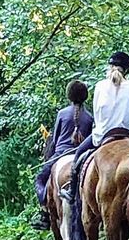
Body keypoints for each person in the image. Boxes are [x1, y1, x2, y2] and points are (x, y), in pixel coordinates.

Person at [60, 51, 129, 203]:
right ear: (127, 70)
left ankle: (72, 191)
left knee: (79, 155)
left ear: (110, 67)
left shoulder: (100, 86)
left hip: (103, 135)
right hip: (127, 135)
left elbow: (97, 115)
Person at [31, 80, 94, 230]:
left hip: (60, 154)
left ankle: (44, 212)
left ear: (69, 96)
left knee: (40, 179)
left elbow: (55, 139)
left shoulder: (62, 114)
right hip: (81, 155)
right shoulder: (90, 117)